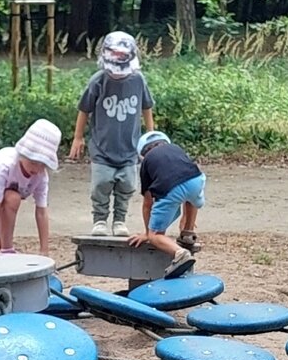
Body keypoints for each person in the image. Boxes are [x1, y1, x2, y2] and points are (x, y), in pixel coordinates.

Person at [67, 30, 156, 239]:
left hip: (130, 148)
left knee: (127, 185)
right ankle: (99, 219)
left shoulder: (138, 80)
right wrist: (78, 137)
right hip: (102, 148)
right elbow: (84, 109)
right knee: (101, 185)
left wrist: (151, 134)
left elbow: (147, 106)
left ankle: (119, 220)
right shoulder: (98, 81)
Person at [0, 119, 60, 255]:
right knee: (13, 198)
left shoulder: (41, 176)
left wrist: (44, 250)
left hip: (5, 195)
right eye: (33, 162)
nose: (36, 169)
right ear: (23, 155)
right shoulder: (6, 165)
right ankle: (7, 248)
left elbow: (41, 212)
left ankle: (0, 246)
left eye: (42, 165)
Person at [129, 130, 205, 278]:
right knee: (190, 196)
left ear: (142, 153)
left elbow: (147, 203)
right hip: (197, 180)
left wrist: (148, 233)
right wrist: (185, 217)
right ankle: (188, 233)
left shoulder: (147, 161)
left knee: (155, 236)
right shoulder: (176, 148)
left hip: (171, 189)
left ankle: (181, 253)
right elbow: (185, 175)